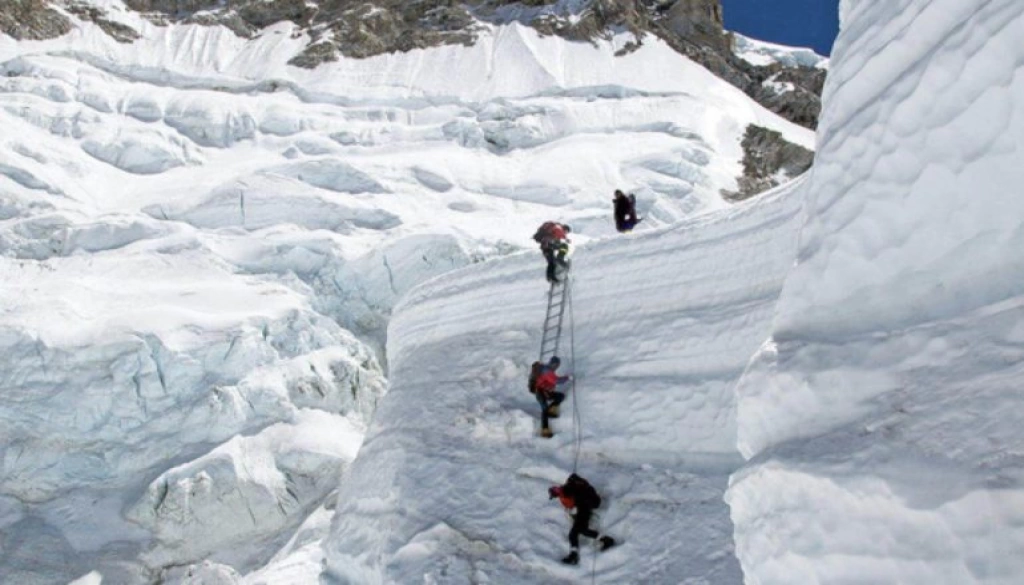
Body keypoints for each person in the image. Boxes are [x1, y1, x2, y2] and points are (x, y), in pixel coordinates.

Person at [548, 473, 616, 565]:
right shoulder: (570, 486)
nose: (555, 495)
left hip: (583, 508)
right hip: (584, 507)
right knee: (580, 531)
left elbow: (569, 497)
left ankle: (574, 555)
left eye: (554, 493)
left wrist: (562, 492)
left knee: (574, 533)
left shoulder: (566, 490)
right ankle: (606, 540)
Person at [533, 356, 569, 438]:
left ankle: (552, 410)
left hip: (546, 391)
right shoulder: (547, 371)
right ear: (553, 364)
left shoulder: (549, 370)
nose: (557, 367)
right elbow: (556, 381)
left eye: (558, 365)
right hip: (541, 392)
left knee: (560, 396)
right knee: (544, 409)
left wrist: (565, 378)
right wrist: (567, 378)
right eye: (556, 365)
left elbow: (555, 378)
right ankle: (545, 430)